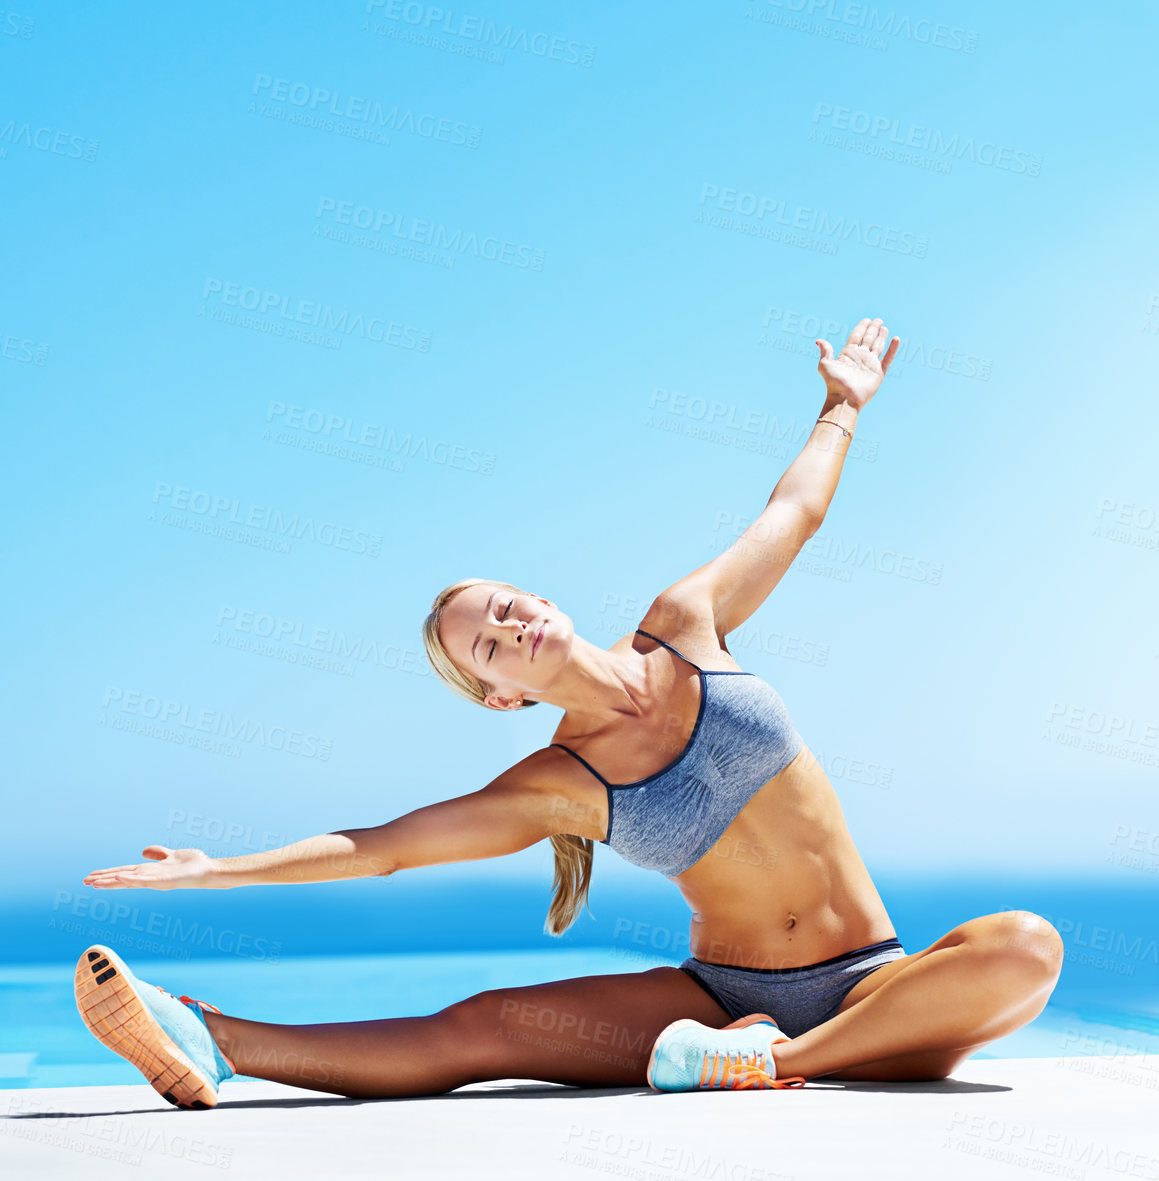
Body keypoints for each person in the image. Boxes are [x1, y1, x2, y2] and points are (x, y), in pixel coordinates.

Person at [76, 318, 1062, 1108]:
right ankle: (217, 1042)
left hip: (868, 990)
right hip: (713, 1004)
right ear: (503, 694)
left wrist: (841, 408)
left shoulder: (686, 625)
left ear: (541, 597)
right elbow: (381, 847)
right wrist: (219, 869)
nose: (510, 627)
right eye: (488, 646)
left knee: (1023, 946)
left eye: (506, 607)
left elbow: (792, 512)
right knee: (483, 1024)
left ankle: (774, 1060)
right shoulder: (558, 782)